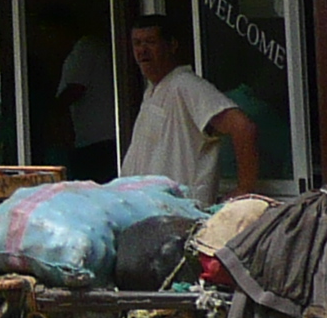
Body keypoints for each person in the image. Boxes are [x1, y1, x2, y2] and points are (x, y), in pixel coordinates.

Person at [117, 15, 258, 205]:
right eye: (137, 43)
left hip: (180, 214)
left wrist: (244, 189)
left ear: (172, 45)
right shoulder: (153, 89)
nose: (142, 50)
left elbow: (242, 127)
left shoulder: (185, 84)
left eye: (150, 42)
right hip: (147, 212)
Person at [54, 33, 118, 182]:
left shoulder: (86, 48)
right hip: (95, 141)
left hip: (96, 143)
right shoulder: (89, 48)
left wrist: (52, 113)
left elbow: (75, 89)